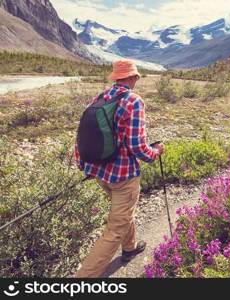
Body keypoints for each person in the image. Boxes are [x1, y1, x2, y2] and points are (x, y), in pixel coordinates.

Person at [74, 60, 164, 278]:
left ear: (115, 77)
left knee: (123, 214)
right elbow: (137, 147)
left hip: (100, 172)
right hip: (124, 175)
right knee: (115, 229)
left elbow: (82, 135)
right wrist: (156, 153)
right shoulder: (134, 101)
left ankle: (130, 247)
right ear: (133, 77)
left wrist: (85, 166)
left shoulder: (100, 97)